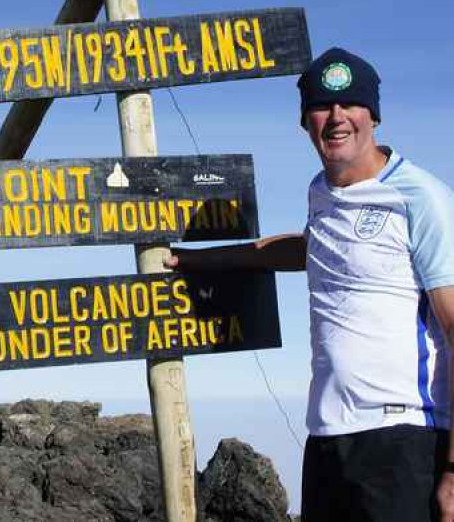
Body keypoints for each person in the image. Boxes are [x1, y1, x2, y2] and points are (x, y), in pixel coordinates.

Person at [166, 47, 454, 522]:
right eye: (322, 106)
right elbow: (311, 248)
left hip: (404, 440)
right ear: (305, 123)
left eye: (350, 104)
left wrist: (451, 472)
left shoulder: (421, 197)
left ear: (373, 116)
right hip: (325, 439)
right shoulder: (322, 191)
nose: (336, 117)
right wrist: (197, 261)